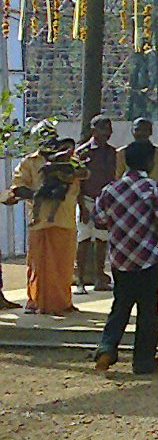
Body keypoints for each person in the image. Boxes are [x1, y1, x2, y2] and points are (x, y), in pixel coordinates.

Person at [91, 141, 158, 374]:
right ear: (150, 162)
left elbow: (97, 218)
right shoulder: (154, 189)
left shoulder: (110, 190)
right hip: (148, 257)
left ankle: (107, 348)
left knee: (120, 305)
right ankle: (143, 360)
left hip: (120, 257)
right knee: (148, 310)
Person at [8, 124, 86, 315]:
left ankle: (63, 303)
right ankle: (36, 301)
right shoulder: (28, 163)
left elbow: (83, 174)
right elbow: (18, 187)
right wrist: (38, 195)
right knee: (38, 266)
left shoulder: (71, 161)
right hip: (40, 223)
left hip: (65, 220)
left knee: (64, 266)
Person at [75, 114, 119, 292]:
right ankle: (80, 281)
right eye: (103, 129)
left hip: (104, 201)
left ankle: (100, 277)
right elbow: (77, 182)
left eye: (109, 129)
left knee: (102, 240)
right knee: (84, 239)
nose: (107, 133)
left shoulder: (111, 152)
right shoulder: (83, 152)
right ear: (93, 130)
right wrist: (82, 206)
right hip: (86, 200)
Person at [128, 118, 158, 187]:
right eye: (137, 130)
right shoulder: (121, 153)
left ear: (151, 132)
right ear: (132, 131)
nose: (141, 133)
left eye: (145, 130)